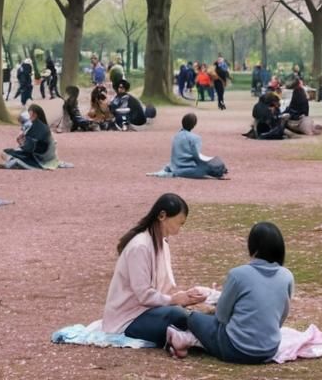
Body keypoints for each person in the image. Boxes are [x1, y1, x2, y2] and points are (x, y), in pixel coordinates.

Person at [171, 222, 293, 362]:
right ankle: (187, 339)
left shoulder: (238, 275)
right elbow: (282, 315)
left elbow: (221, 316)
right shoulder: (287, 276)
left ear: (253, 247)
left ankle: (186, 339)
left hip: (236, 349)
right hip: (269, 350)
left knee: (193, 318)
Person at [101, 193, 202, 346]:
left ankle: (183, 338)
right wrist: (174, 300)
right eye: (179, 223)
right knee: (178, 316)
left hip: (146, 311)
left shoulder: (160, 241)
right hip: (128, 319)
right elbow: (144, 295)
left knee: (184, 316)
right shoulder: (140, 247)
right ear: (162, 216)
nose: (178, 230)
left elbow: (159, 288)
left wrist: (184, 298)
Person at [0, 103, 58, 169]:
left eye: (31, 115)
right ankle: (9, 162)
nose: (30, 117)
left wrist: (23, 143)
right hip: (32, 152)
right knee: (7, 151)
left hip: (38, 158)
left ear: (36, 114)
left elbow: (36, 146)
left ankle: (11, 163)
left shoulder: (41, 127)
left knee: (9, 154)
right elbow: (28, 143)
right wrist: (22, 141)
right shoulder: (34, 125)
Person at [166, 113, 227, 178]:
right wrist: (213, 165)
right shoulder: (195, 138)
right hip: (185, 169)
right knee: (212, 166)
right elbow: (197, 158)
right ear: (194, 125)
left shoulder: (176, 136)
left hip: (175, 167)